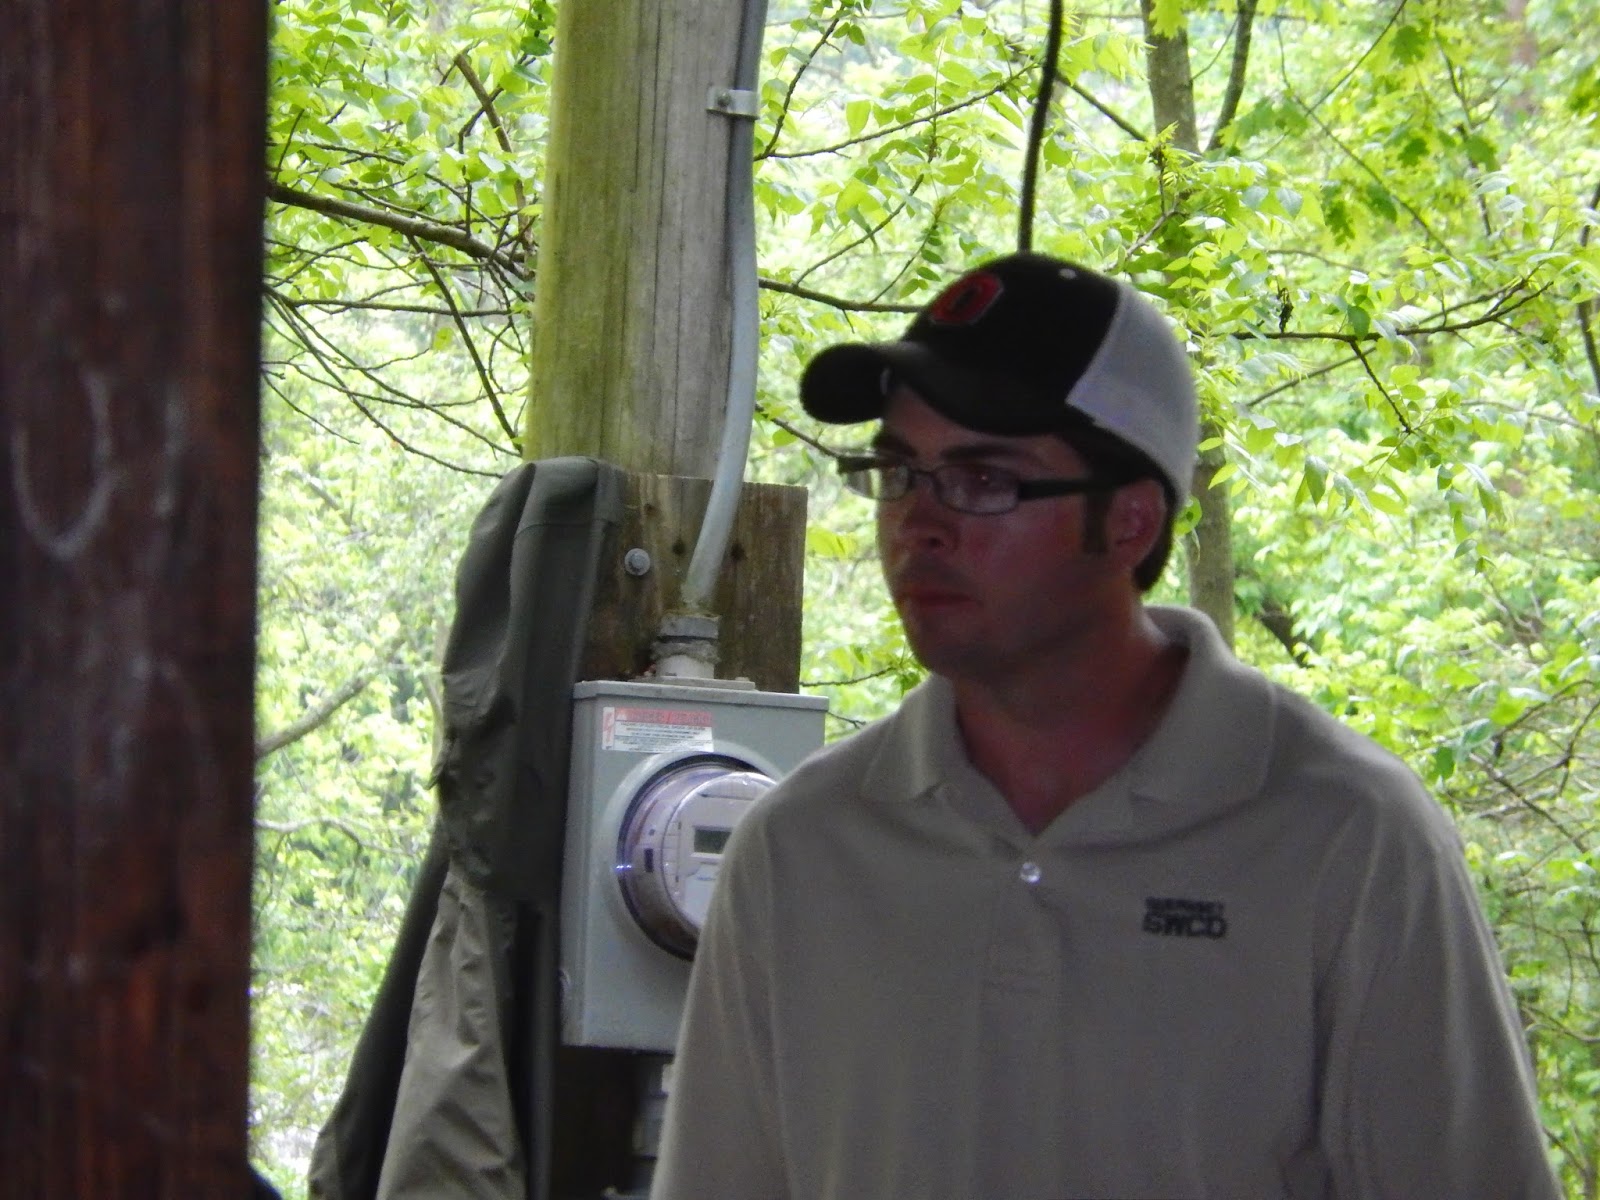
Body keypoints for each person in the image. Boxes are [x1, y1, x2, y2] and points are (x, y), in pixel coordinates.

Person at [650, 252, 1561, 1199]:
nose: (919, 524)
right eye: (899, 473)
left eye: (983, 479)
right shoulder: (799, 850)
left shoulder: (1345, 835)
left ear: (1130, 521)